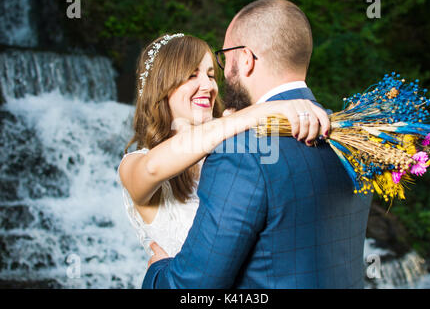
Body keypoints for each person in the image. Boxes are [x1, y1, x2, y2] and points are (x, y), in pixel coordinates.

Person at [143, 0, 372, 289]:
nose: (223, 74)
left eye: (224, 59)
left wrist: (156, 271)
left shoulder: (242, 152)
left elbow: (191, 287)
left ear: (246, 59)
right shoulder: (353, 136)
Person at [117, 33, 330, 258]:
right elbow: (152, 168)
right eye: (191, 75)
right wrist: (259, 111)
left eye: (210, 75)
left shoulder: (233, 146)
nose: (207, 86)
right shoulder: (133, 165)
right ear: (162, 87)